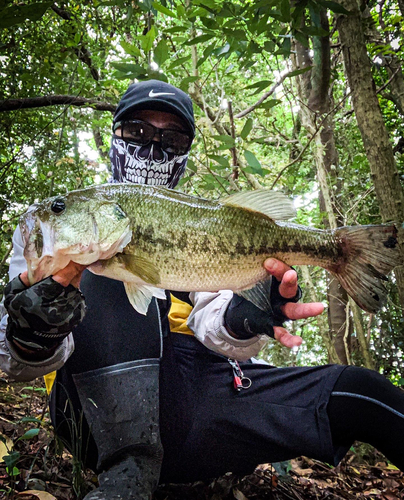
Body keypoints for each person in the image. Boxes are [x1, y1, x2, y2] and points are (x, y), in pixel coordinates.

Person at [1, 80, 404, 500]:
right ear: (115, 137)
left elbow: (216, 330)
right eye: (138, 132)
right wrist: (32, 331)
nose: (154, 147)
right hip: (95, 423)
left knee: (362, 393)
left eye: (171, 138)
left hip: (200, 412)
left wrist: (243, 317)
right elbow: (12, 364)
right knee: (95, 271)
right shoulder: (48, 239)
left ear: (185, 151)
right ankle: (128, 472)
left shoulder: (199, 221)